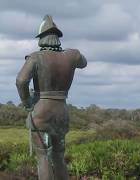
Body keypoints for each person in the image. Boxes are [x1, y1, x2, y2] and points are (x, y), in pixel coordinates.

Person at [16, 15, 87, 180]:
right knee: (58, 156)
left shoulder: (35, 57)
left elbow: (21, 81)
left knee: (43, 157)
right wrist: (68, 54)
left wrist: (27, 102)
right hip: (61, 112)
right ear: (57, 37)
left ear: (41, 38)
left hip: (41, 112)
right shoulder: (72, 55)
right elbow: (83, 62)